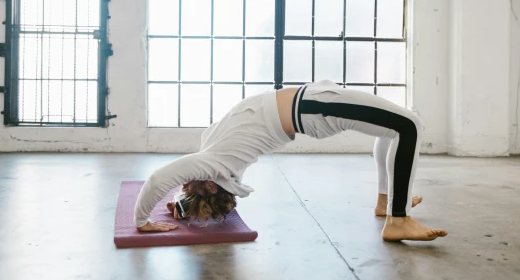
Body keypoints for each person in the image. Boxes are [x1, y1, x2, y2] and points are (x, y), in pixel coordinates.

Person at [133, 80, 448, 242]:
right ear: (213, 189)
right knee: (409, 126)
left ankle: (387, 203)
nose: (188, 182)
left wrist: (182, 205)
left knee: (395, 128)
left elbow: (184, 189)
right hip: (313, 107)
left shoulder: (214, 160)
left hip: (312, 104)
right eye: (193, 188)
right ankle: (398, 219)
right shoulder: (214, 164)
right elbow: (158, 179)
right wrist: (141, 222)